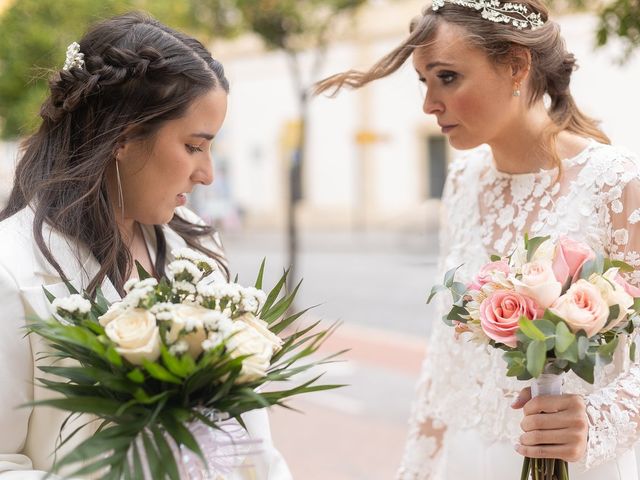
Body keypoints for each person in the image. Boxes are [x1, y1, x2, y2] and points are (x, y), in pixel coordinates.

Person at [316, 1, 640, 478]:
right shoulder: (463, 180)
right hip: (466, 459)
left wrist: (597, 420)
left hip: (575, 460)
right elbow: (444, 353)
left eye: (446, 77)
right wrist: (418, 468)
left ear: (515, 65)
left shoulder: (614, 183)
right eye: (424, 81)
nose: (429, 103)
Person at [0, 12, 291, 480]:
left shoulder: (195, 243)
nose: (207, 174)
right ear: (125, 136)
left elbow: (248, 439)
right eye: (195, 146)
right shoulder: (10, 270)